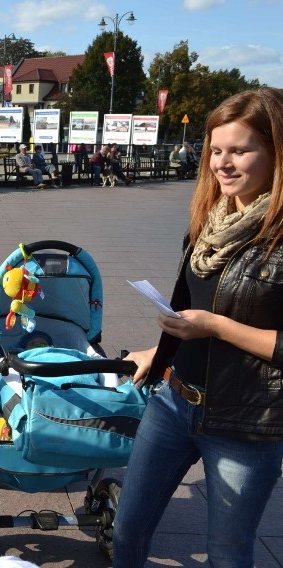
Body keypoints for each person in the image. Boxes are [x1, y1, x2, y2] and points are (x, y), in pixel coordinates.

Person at [113, 88, 283, 567]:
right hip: (173, 401)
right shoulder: (211, 220)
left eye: (241, 150)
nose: (222, 164)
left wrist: (216, 327)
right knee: (127, 530)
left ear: (277, 152)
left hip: (244, 423)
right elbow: (190, 304)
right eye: (216, 150)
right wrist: (158, 350)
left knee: (227, 555)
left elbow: (211, 319)